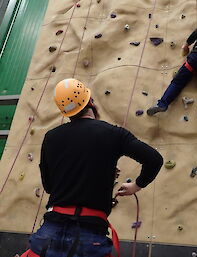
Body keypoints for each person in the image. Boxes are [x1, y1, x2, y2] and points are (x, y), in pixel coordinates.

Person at [20, 78, 163, 257]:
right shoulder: (113, 133)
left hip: (49, 234)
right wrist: (136, 185)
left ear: (65, 112)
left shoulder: (51, 137)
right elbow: (154, 159)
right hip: (90, 236)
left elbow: (49, 187)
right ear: (91, 102)